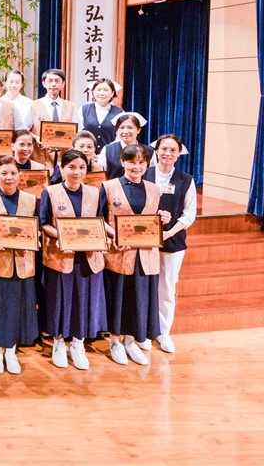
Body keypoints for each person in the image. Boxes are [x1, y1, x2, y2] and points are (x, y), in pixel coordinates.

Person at [39, 150, 109, 371]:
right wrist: (61, 237)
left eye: (81, 167)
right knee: (59, 301)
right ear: (61, 168)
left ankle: (78, 344)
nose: (76, 172)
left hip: (88, 258)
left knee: (83, 301)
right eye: (71, 167)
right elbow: (44, 223)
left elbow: (100, 222)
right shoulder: (50, 192)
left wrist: (111, 238)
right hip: (61, 257)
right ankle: (58, 342)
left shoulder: (94, 192)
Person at [102, 144, 165, 366]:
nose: (136, 166)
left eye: (141, 162)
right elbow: (100, 219)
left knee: (138, 298)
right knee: (118, 297)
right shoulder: (108, 187)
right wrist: (114, 236)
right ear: (122, 162)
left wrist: (162, 218)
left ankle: (130, 341)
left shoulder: (154, 189)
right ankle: (115, 342)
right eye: (131, 162)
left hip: (146, 256)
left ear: (147, 164)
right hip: (119, 254)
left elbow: (152, 220)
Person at [0, 156, 39, 374]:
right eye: (4, 173)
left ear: (19, 175)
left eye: (13, 173)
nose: (9, 177)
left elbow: (36, 229)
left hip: (23, 263)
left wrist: (33, 238)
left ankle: (10, 351)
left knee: (18, 308)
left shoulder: (31, 200)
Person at [143, 134, 196, 354]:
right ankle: (143, 331)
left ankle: (163, 332)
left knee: (166, 288)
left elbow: (189, 214)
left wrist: (167, 234)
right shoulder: (144, 174)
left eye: (173, 150)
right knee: (144, 287)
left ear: (179, 154)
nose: (167, 153)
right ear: (156, 151)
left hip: (172, 242)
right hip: (142, 242)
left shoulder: (186, 180)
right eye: (164, 149)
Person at [98, 112, 152, 179]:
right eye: (122, 128)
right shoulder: (108, 150)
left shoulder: (149, 151)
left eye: (130, 128)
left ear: (138, 130)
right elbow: (100, 175)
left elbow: (151, 175)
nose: (125, 131)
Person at [74, 78, 124, 150]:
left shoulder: (119, 112)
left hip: (110, 153)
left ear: (112, 93)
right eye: (99, 90)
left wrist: (106, 152)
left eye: (106, 90)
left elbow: (120, 137)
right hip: (86, 152)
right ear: (93, 92)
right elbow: (78, 132)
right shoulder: (83, 109)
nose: (102, 93)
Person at [31, 68, 76, 134]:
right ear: (43, 84)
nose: (53, 84)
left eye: (57, 81)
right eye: (50, 81)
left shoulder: (71, 107)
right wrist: (36, 138)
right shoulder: (32, 106)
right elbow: (25, 130)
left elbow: (78, 130)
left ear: (63, 84)